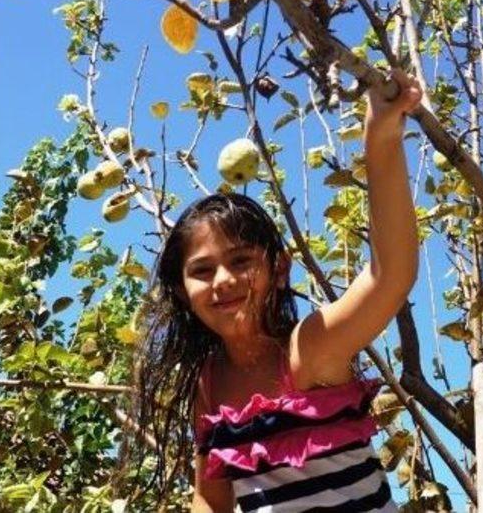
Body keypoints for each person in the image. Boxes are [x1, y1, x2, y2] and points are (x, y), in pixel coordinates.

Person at [118, 68, 421, 512]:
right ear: (183, 293)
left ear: (280, 270)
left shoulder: (309, 349)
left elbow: (391, 276)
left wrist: (381, 137)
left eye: (241, 261)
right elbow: (211, 496)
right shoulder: (210, 383)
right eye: (202, 271)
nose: (223, 280)